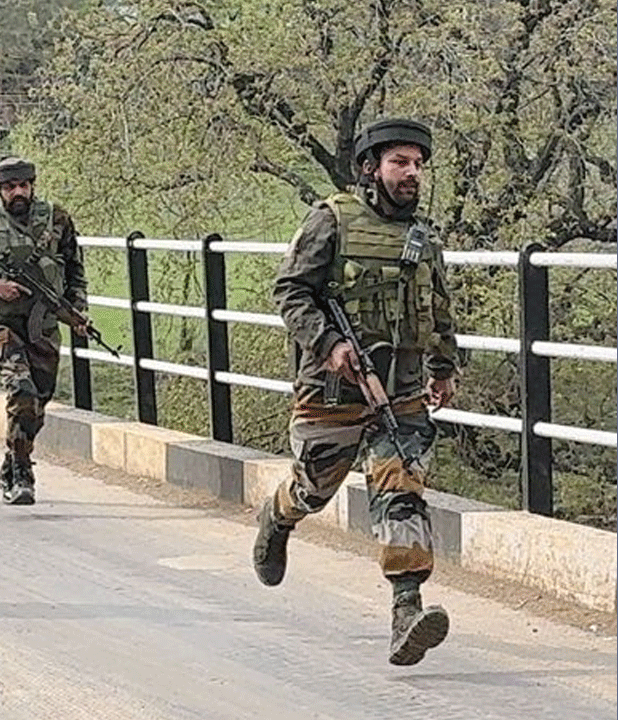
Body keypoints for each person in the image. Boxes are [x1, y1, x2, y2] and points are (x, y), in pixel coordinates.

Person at [258, 118, 461, 665]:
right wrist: (329, 345)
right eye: (400, 163)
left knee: (402, 491)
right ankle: (277, 517)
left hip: (403, 394)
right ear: (371, 168)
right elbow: (291, 290)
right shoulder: (332, 221)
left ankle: (405, 609)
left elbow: (437, 308)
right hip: (333, 390)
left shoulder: (423, 239)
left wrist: (444, 367)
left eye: (418, 164)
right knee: (314, 488)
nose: (411, 174)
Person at [0, 156, 91, 505]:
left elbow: (75, 269)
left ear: (32, 186)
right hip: (4, 326)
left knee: (37, 405)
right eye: (10, 187)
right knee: (22, 393)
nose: (18, 193)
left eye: (23, 186)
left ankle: (11, 462)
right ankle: (23, 473)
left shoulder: (57, 219)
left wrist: (77, 311)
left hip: (43, 327)